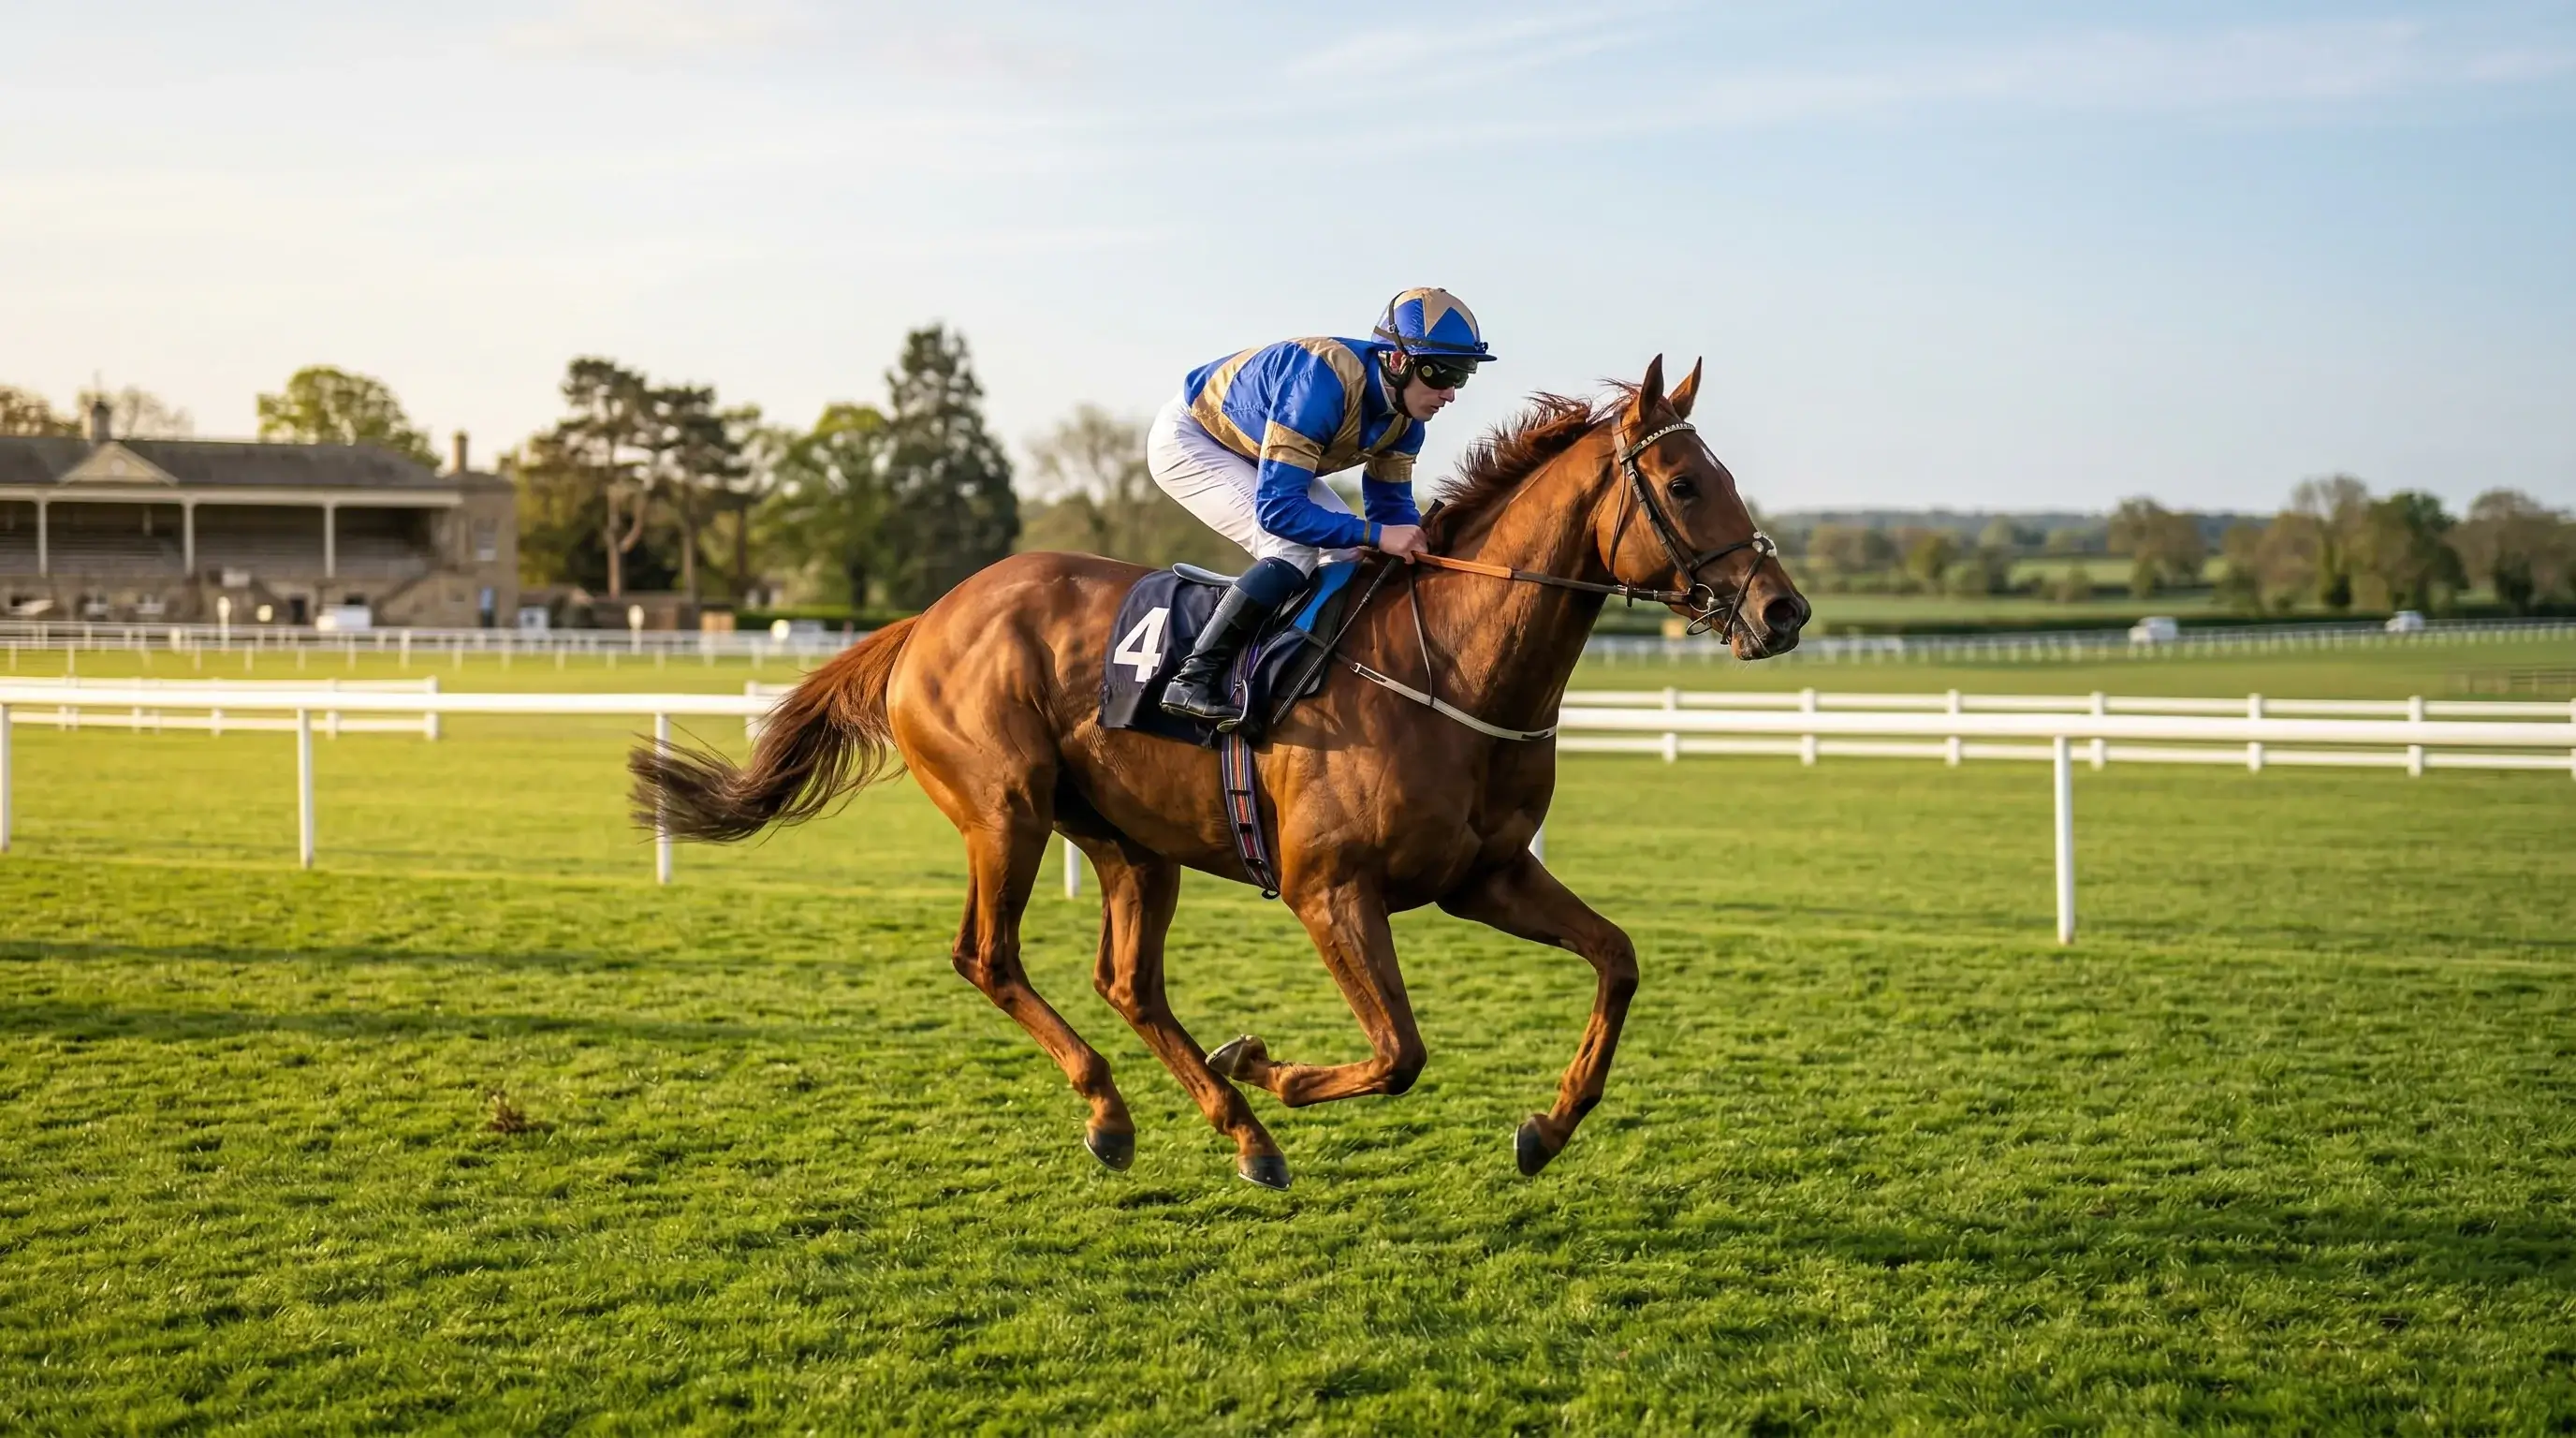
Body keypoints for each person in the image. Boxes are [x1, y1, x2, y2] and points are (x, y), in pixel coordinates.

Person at [1147, 286, 1496, 726]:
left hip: (1258, 451)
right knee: (1291, 548)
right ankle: (1192, 679)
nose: (1450, 393)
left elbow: (1391, 508)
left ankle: (1311, 675)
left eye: (1461, 376)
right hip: (1195, 439)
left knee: (1349, 553)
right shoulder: (1319, 384)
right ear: (1398, 360)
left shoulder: (1407, 422)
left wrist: (1417, 549)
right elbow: (1278, 511)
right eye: (1442, 373)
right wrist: (1376, 535)